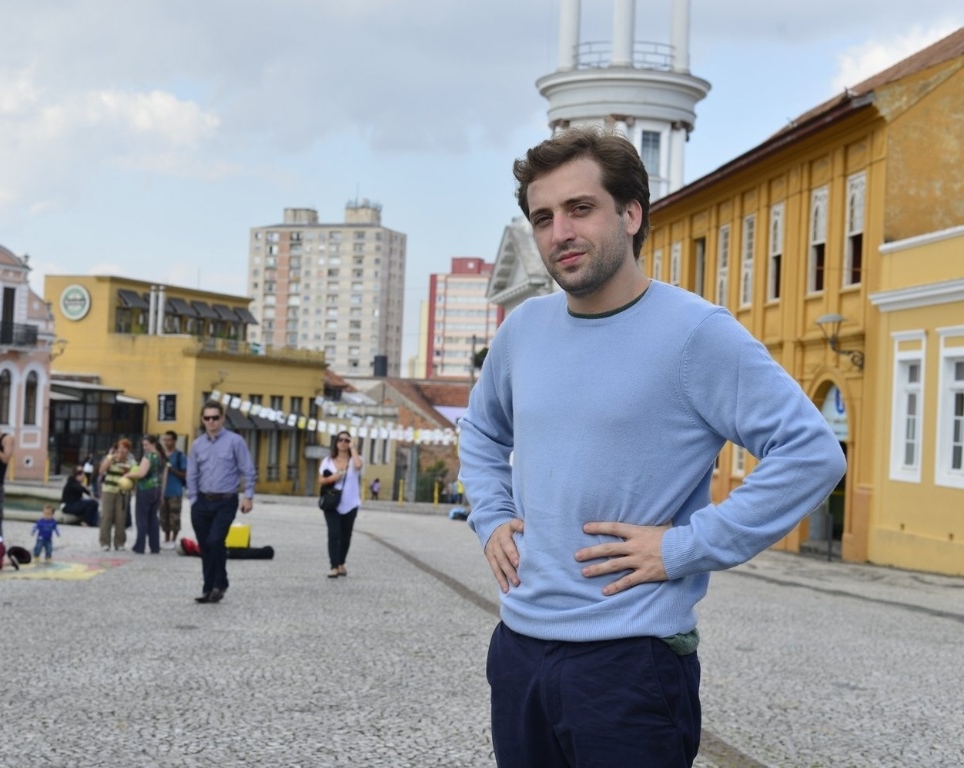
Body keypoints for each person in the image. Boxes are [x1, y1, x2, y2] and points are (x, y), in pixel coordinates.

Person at [457, 128, 847, 768]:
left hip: (631, 660)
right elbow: (480, 431)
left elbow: (811, 454)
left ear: (631, 214)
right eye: (544, 218)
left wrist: (684, 546)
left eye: (581, 209)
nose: (560, 233)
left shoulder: (696, 334)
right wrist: (492, 516)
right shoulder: (522, 331)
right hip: (520, 648)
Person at [186, 400, 256, 603]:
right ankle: (209, 588)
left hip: (226, 500)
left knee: (216, 540)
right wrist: (193, 500)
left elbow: (248, 470)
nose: (211, 422)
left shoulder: (235, 441)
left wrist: (248, 496)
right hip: (201, 501)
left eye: (215, 417)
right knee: (205, 547)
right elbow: (192, 474)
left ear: (222, 418)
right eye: (207, 418)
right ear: (202, 419)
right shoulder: (197, 445)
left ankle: (221, 582)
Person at [318, 430, 363, 578]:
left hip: (351, 503)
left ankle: (341, 562)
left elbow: (358, 466)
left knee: (346, 535)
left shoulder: (355, 459)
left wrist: (353, 448)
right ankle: (333, 566)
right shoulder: (328, 461)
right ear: (336, 443)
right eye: (340, 440)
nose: (343, 443)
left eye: (347, 440)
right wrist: (334, 477)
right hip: (332, 502)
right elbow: (321, 480)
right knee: (334, 533)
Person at [124, 434, 167, 554]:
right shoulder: (162, 456)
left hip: (145, 489)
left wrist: (127, 475)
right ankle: (155, 546)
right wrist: (162, 493)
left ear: (153, 444)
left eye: (146, 444)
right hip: (157, 490)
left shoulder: (148, 457)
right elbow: (164, 477)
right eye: (143, 445)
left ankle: (140, 546)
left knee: (141, 518)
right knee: (153, 518)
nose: (144, 447)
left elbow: (141, 473)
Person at [98, 439, 136, 552]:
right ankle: (104, 542)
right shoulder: (110, 457)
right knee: (106, 516)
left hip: (122, 492)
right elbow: (101, 470)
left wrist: (125, 468)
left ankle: (119, 543)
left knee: (121, 518)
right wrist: (111, 457)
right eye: (120, 447)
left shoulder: (131, 461)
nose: (122, 450)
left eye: (125, 448)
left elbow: (133, 475)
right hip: (108, 490)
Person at [159, 431, 187, 550]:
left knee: (174, 516)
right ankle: (166, 538)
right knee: (163, 516)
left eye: (169, 440)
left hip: (175, 490)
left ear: (174, 441)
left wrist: (172, 470)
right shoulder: (161, 455)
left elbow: (185, 474)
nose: (166, 442)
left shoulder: (180, 456)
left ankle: (173, 539)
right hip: (162, 490)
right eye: (164, 440)